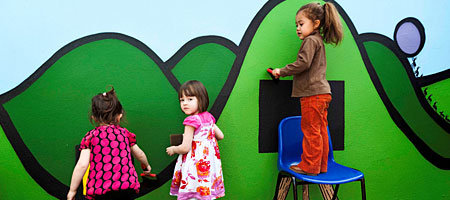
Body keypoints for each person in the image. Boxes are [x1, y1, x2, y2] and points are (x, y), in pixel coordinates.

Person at [271, 2, 343, 176]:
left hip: (313, 94)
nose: (297, 28)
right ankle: (321, 165)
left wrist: (282, 71)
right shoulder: (318, 41)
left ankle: (310, 166)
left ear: (316, 23)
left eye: (301, 24)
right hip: (323, 93)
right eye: (296, 25)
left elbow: (303, 63)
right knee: (320, 130)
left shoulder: (310, 40)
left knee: (311, 130)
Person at [67, 87, 152, 200]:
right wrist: (146, 166)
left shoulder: (90, 137)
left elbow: (82, 165)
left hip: (101, 190)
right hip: (126, 186)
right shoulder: (125, 134)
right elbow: (139, 154)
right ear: (119, 115)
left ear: (94, 118)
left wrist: (72, 190)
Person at [166, 80, 225, 200]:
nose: (184, 103)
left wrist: (174, 149)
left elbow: (185, 147)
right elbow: (220, 136)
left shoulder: (191, 121)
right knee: (204, 192)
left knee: (192, 194)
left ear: (201, 99)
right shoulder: (209, 117)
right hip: (208, 165)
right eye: (182, 100)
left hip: (194, 166)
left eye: (190, 99)